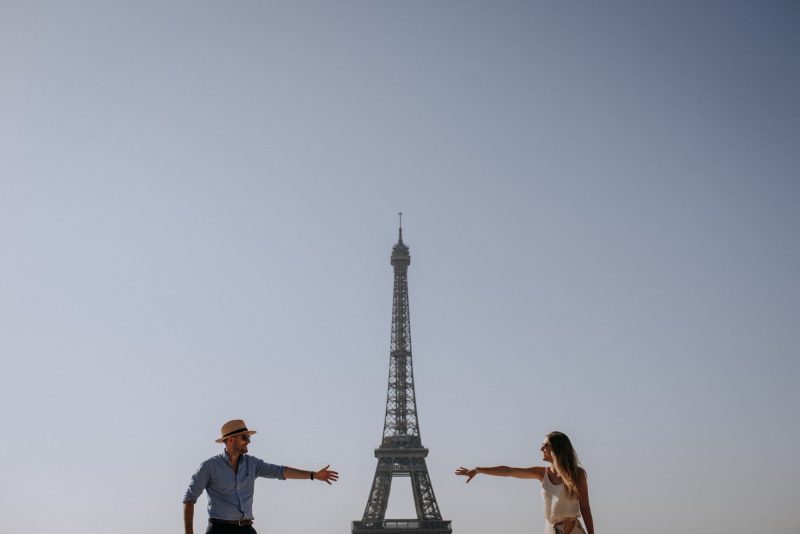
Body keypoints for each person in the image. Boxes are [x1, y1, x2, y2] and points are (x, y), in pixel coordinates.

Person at [183, 419, 339, 534]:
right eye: (245, 438)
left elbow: (280, 471)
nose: (248, 442)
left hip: (246, 529)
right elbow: (189, 499)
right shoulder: (209, 467)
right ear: (230, 440)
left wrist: (313, 475)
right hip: (219, 530)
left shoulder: (253, 464)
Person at [455, 431, 594, 534]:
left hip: (572, 530)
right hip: (550, 530)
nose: (541, 449)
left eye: (545, 445)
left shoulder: (577, 474)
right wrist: (478, 470)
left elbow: (585, 507)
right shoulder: (542, 473)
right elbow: (509, 471)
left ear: (556, 448)